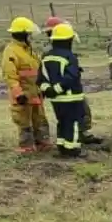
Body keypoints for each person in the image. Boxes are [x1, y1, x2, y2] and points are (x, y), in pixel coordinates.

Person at [43, 17, 100, 145]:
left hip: (63, 93)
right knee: (73, 117)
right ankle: (74, 143)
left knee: (77, 114)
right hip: (67, 93)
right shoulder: (52, 51)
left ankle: (79, 135)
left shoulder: (55, 50)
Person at [38, 23, 87, 158]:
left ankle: (62, 147)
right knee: (74, 123)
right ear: (68, 40)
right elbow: (71, 77)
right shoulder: (70, 57)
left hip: (56, 100)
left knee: (62, 122)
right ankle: (73, 149)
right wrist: (58, 89)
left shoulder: (46, 57)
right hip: (72, 98)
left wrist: (50, 90)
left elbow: (41, 78)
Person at [2, 17, 50, 153]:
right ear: (22, 34)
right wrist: (18, 93)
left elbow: (38, 71)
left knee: (39, 119)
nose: (30, 36)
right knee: (24, 121)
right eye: (27, 33)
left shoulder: (28, 50)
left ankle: (43, 142)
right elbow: (10, 75)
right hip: (23, 95)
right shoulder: (11, 51)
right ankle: (26, 146)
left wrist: (43, 87)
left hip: (35, 93)